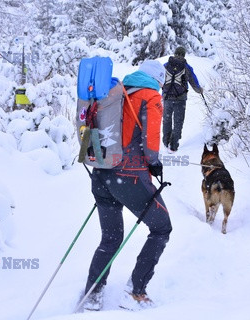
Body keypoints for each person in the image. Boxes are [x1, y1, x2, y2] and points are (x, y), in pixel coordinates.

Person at [83, 60, 172, 311]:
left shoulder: (115, 93)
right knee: (162, 228)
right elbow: (151, 139)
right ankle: (135, 293)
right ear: (158, 80)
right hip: (129, 177)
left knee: (111, 237)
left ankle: (93, 293)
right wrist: (154, 163)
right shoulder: (150, 96)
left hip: (101, 173)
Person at [162, 46, 203, 153]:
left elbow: (159, 78)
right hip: (180, 99)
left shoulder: (166, 65)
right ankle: (173, 146)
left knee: (167, 120)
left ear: (175, 53)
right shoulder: (186, 67)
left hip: (167, 97)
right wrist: (199, 90)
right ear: (184, 55)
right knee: (178, 121)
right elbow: (194, 82)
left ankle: (166, 142)